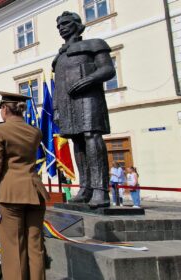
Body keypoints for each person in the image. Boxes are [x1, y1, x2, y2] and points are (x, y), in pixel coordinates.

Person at [52, 11, 116, 208]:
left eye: (66, 23)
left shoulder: (94, 44)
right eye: (59, 25)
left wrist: (89, 79)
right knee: (77, 141)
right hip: (66, 102)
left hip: (88, 97)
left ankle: (101, 190)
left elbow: (108, 69)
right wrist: (55, 108)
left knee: (91, 136)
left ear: (77, 25)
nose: (62, 27)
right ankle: (86, 187)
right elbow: (57, 85)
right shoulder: (59, 57)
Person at [0, 91, 49, 280]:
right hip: (34, 192)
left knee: (13, 249)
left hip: (10, 194)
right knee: (35, 247)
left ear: (5, 109)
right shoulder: (35, 132)